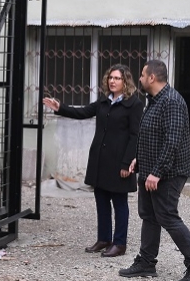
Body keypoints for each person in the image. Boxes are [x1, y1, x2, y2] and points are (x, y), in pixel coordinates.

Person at [119, 59, 190, 281]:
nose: (139, 78)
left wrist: (157, 172)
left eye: (142, 75)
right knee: (149, 215)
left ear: (152, 77)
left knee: (167, 216)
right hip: (151, 170)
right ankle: (146, 262)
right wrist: (139, 160)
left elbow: (172, 141)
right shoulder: (154, 100)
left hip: (169, 173)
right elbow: (152, 136)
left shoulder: (172, 101)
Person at [43, 64, 143, 257]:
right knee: (101, 200)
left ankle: (119, 243)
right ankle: (104, 239)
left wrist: (127, 163)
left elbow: (135, 136)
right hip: (101, 160)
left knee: (120, 203)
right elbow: (83, 112)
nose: (112, 81)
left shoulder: (134, 104)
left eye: (117, 78)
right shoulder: (104, 101)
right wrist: (60, 107)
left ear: (125, 81)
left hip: (119, 162)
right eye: (110, 78)